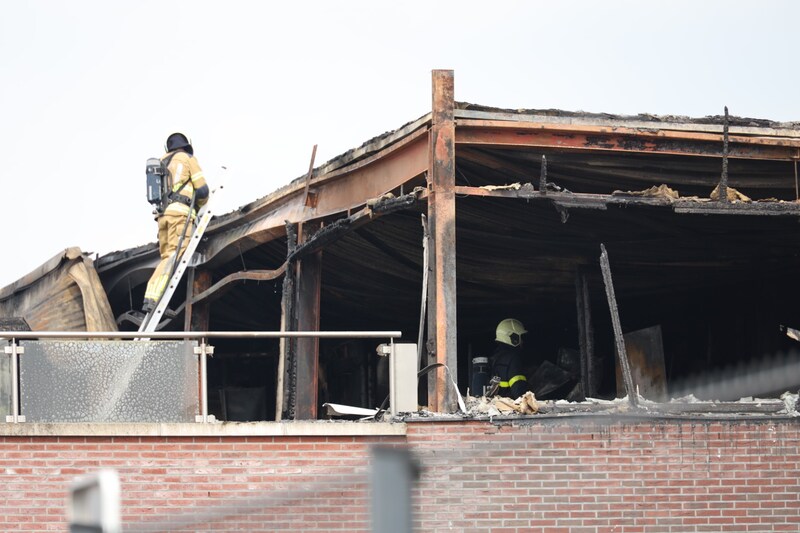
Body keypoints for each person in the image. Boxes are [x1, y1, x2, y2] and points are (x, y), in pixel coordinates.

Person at [142, 132, 209, 313]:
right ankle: (152, 299)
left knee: (166, 258)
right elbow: (202, 191)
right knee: (174, 256)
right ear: (187, 145)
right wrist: (200, 208)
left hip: (162, 217)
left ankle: (158, 300)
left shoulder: (162, 162)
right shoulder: (187, 159)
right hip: (179, 216)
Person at [491, 318, 531, 398]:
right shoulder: (513, 359)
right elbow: (519, 392)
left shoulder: (496, 357)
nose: (522, 341)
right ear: (513, 337)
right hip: (510, 406)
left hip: (498, 404)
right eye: (520, 337)